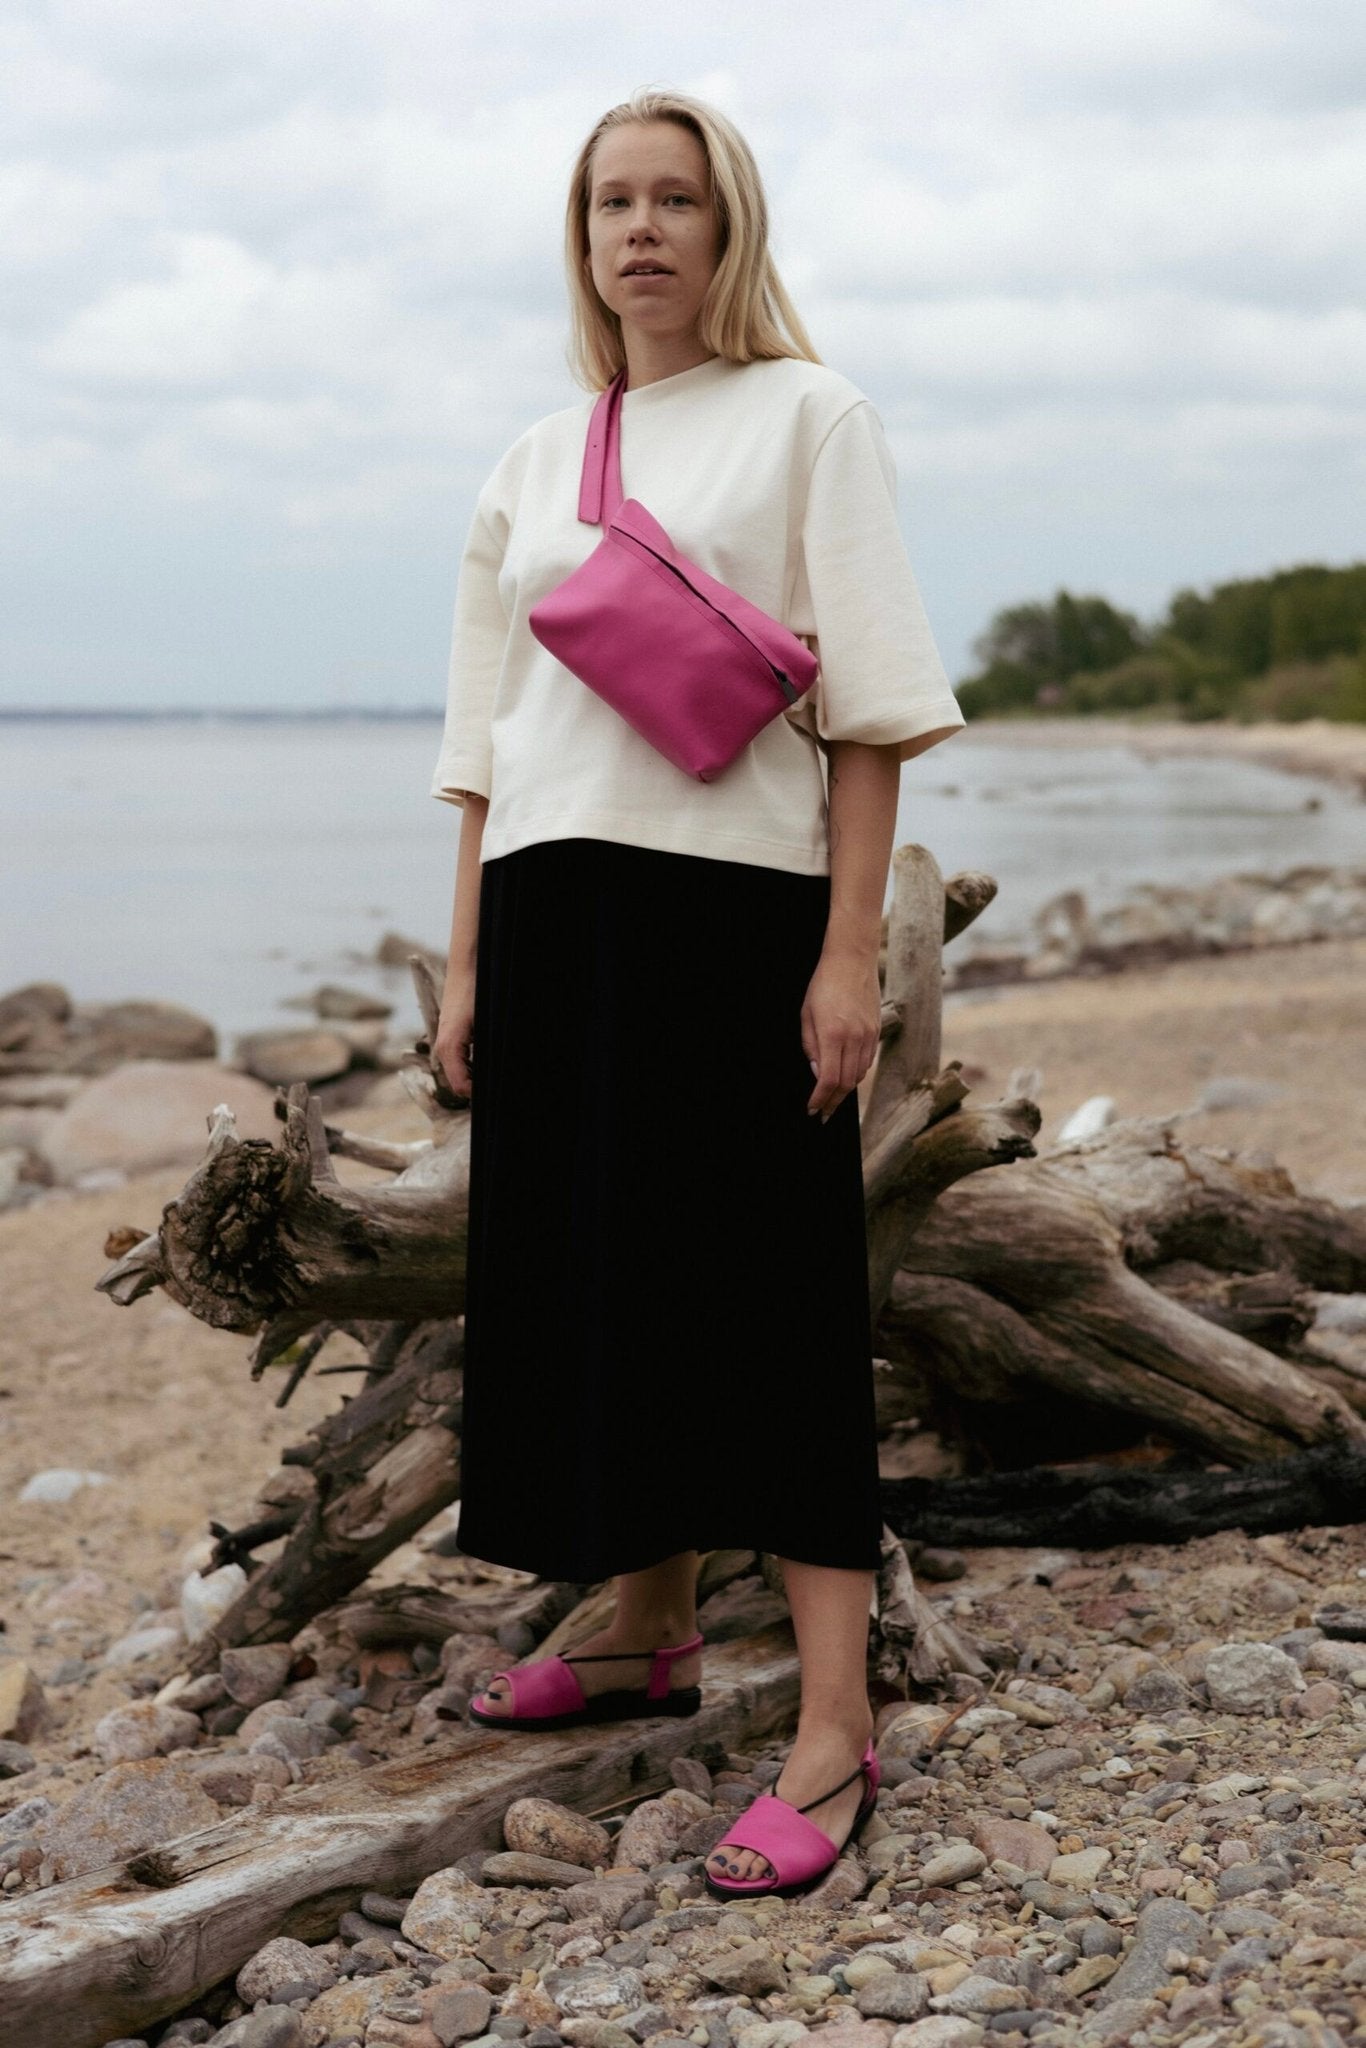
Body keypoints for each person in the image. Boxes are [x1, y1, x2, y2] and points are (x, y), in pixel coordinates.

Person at [430, 87, 965, 1900]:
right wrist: (467, 952)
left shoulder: (811, 415)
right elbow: (486, 740)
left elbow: (873, 704)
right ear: (581, 242)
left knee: (769, 1303)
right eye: (609, 206)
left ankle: (831, 1733)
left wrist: (843, 953)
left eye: (674, 201)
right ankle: (647, 1615)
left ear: (729, 228)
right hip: (550, 904)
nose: (640, 231)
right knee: (583, 1282)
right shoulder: (531, 457)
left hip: (734, 912)